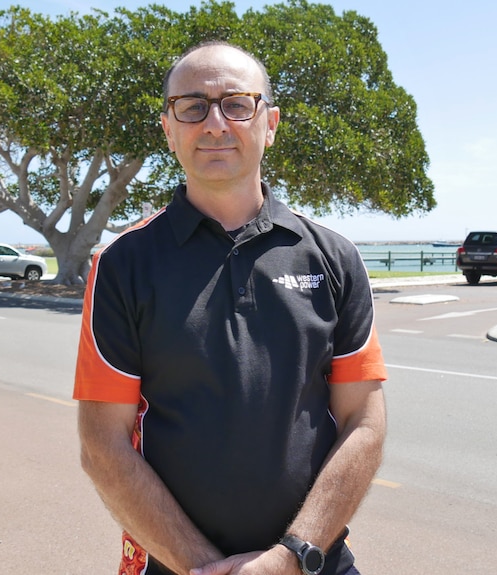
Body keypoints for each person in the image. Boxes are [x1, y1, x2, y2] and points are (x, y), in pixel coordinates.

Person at [74, 41, 388, 575]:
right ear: (169, 129)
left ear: (269, 123)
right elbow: (102, 444)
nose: (215, 122)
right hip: (173, 567)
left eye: (237, 103)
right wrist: (202, 567)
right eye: (192, 106)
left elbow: (365, 423)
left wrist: (292, 556)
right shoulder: (122, 265)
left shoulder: (334, 257)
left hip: (315, 563)